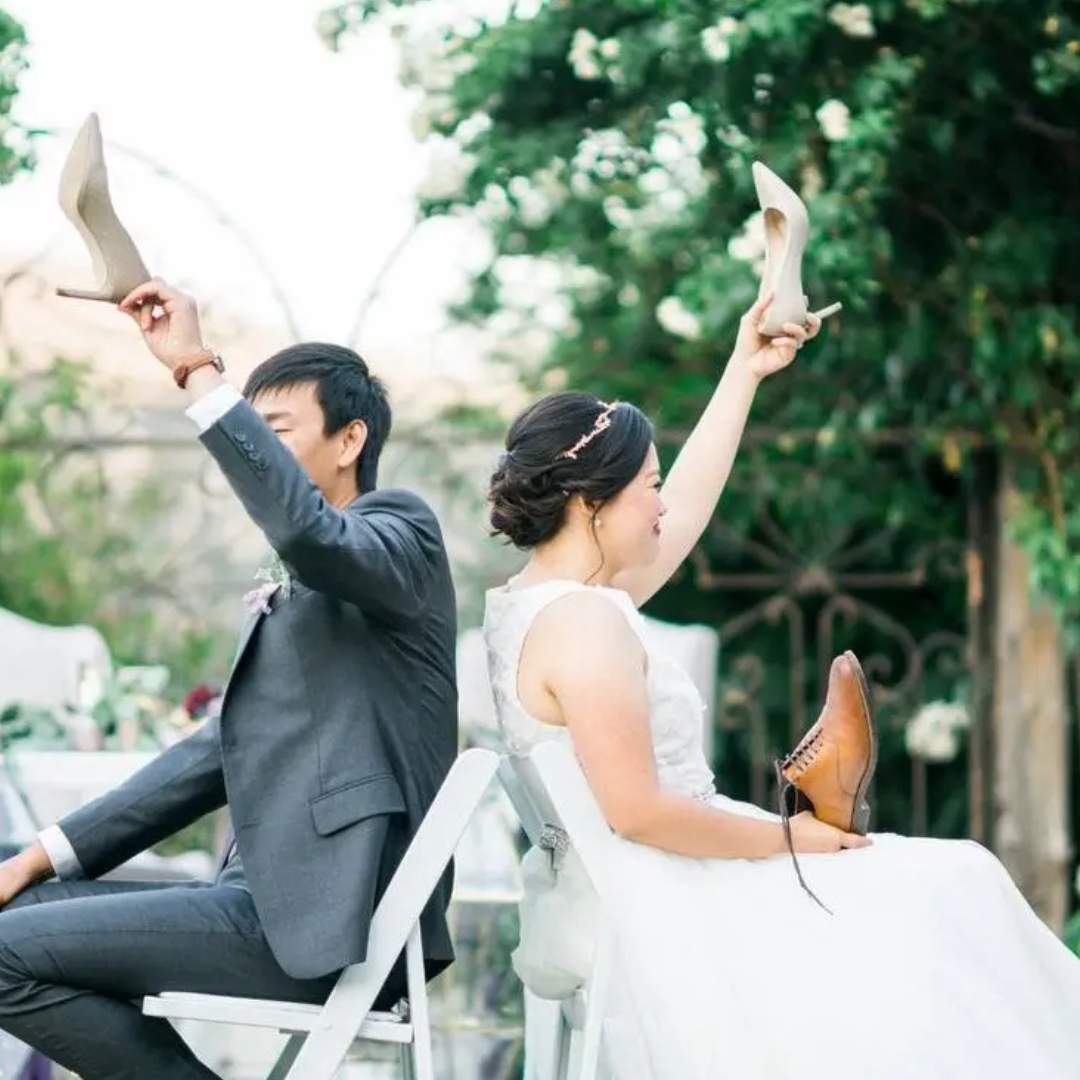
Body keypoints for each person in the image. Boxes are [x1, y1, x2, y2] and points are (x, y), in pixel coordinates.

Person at [482, 294, 1080, 1080]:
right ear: (592, 505)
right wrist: (794, 838)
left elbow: (688, 508)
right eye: (646, 487)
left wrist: (745, 368)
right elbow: (636, 812)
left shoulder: (544, 603)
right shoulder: (585, 627)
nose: (661, 504)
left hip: (659, 875)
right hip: (671, 898)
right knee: (956, 886)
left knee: (942, 889)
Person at [0, 280, 459, 1080]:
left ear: (349, 441)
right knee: (18, 910)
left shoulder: (400, 535)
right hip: (267, 906)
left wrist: (195, 373)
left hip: (331, 922)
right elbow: (216, 753)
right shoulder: (313, 575)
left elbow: (307, 532)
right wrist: (38, 857)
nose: (262, 446)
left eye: (276, 430)